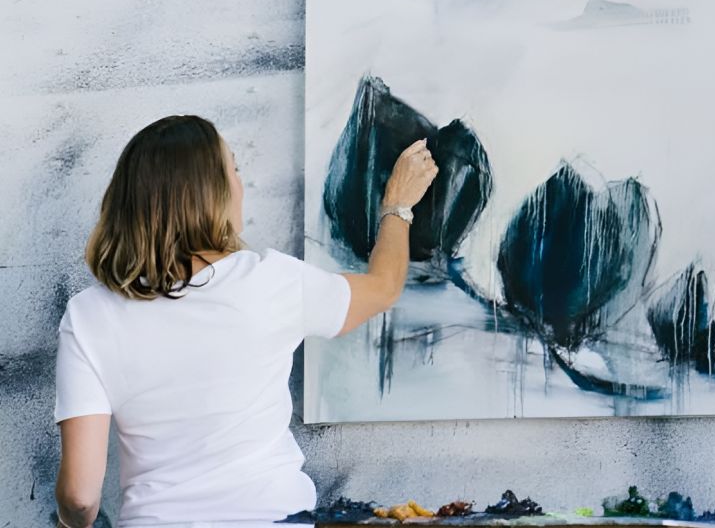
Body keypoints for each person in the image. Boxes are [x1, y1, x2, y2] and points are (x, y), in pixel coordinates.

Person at [53, 115, 438, 528]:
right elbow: (382, 287)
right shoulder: (269, 282)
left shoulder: (89, 314)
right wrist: (397, 206)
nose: (242, 184)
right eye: (233, 168)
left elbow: (80, 495)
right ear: (212, 193)